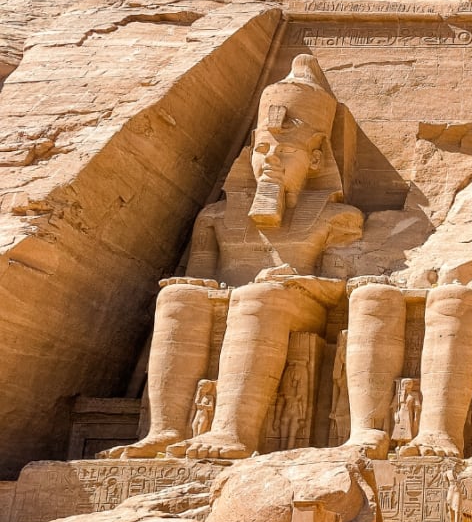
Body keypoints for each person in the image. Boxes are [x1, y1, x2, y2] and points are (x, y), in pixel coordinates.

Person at [101, 55, 365, 460]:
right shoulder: (216, 217)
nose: (270, 160)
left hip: (297, 303)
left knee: (258, 299)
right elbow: (200, 276)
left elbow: (337, 288)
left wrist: (291, 280)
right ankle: (165, 430)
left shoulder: (337, 217)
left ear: (315, 158)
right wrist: (195, 285)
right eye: (262, 149)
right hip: (240, 296)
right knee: (178, 298)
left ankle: (230, 432)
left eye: (286, 151)